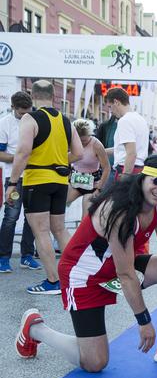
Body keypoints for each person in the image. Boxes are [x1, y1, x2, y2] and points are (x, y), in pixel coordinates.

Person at [15, 155, 157, 371]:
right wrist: (144, 321)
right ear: (143, 178)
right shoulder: (120, 211)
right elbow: (126, 275)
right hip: (84, 274)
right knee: (95, 362)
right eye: (156, 181)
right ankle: (35, 329)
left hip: (118, 262)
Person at [5, 80, 83, 295]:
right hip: (59, 181)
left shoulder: (30, 118)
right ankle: (73, 278)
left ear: (32, 95)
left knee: (41, 232)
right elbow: (78, 153)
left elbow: (22, 152)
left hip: (37, 180)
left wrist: (12, 183)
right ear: (54, 97)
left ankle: (53, 281)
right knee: (59, 229)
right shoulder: (66, 120)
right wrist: (57, 160)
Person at [0, 91, 40, 272]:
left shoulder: (35, 120)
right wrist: (20, 158)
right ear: (13, 108)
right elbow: (0, 153)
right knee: (10, 217)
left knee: (32, 218)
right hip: (14, 178)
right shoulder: (5, 123)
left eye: (28, 112)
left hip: (35, 176)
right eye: (21, 113)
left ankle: (27, 256)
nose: (25, 116)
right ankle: (3, 258)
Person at [67, 119, 111, 219]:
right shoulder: (71, 142)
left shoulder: (97, 145)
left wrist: (100, 187)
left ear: (90, 134)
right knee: (59, 205)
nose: (83, 143)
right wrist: (67, 175)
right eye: (80, 141)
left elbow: (107, 168)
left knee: (85, 217)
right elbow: (64, 160)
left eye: (85, 140)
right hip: (75, 180)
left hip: (93, 184)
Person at [104, 87, 148, 180]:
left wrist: (125, 176)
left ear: (116, 102)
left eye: (110, 106)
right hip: (138, 169)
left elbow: (131, 153)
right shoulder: (140, 119)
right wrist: (101, 151)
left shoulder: (124, 121)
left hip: (127, 170)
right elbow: (124, 148)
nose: (110, 111)